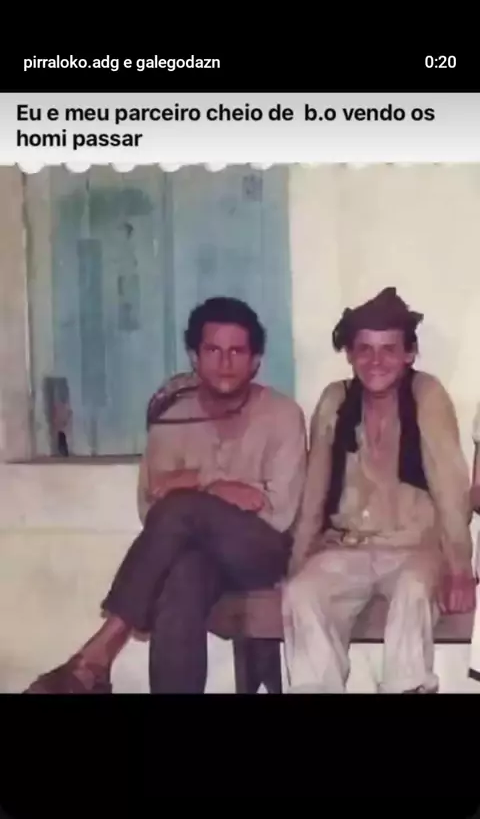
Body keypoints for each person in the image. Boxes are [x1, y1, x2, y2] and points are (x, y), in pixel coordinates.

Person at [25, 296, 307, 693]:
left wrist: (195, 487)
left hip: (262, 553)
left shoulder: (282, 414)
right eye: (213, 350)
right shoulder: (173, 419)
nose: (225, 362)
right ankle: (101, 669)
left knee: (182, 508)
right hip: (197, 555)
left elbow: (277, 512)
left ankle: (101, 650)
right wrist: (217, 488)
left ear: (255, 360)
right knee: (181, 580)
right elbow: (153, 507)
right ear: (194, 357)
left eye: (237, 352)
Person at [282, 287, 476, 694]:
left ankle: (408, 688)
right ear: (350, 355)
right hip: (346, 547)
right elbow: (315, 488)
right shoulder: (336, 400)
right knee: (302, 594)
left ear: (409, 354)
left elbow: (450, 485)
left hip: (414, 549)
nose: (376, 361)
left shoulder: (426, 395)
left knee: (412, 594)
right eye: (365, 350)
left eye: (389, 350)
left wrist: (460, 566)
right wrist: (298, 561)